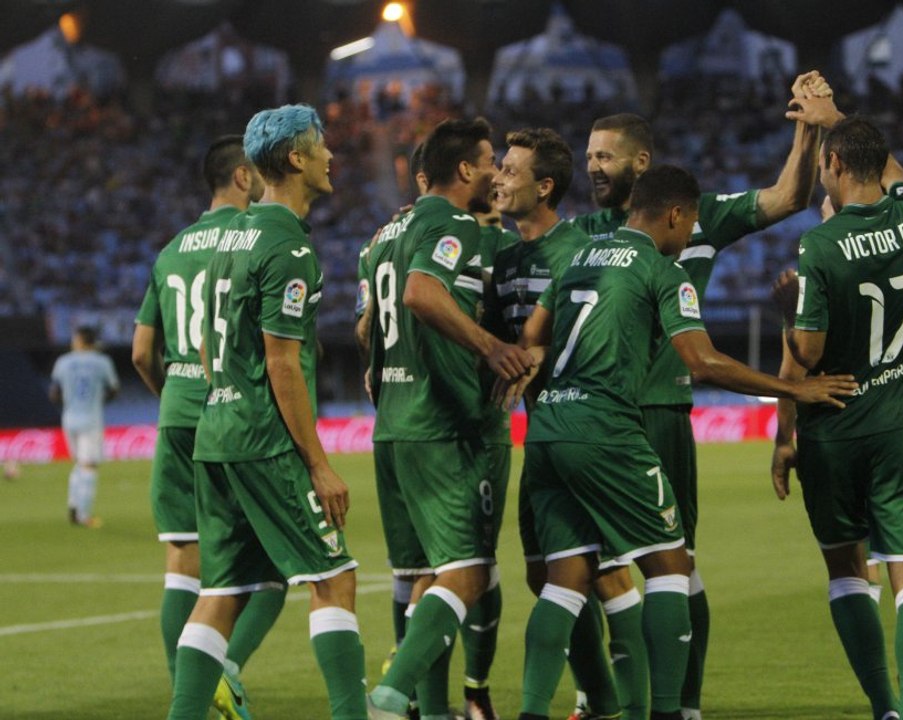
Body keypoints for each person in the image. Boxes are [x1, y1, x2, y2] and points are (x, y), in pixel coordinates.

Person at [508, 165, 856, 720]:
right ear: (675, 215)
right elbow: (704, 361)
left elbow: (532, 339)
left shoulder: (578, 258)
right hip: (607, 431)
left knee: (566, 579)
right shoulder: (663, 271)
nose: (689, 233)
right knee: (670, 566)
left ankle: (530, 712)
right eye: (690, 223)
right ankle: (669, 712)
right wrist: (794, 388)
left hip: (548, 427)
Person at [569, 70, 834, 720]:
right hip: (589, 419)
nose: (594, 168)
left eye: (604, 156)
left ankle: (680, 705)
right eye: (587, 158)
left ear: (641, 161)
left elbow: (787, 196)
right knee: (575, 568)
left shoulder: (698, 216)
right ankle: (601, 699)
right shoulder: (578, 233)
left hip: (659, 413)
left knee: (674, 563)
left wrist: (802, 129)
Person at [166, 104, 367, 720]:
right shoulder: (290, 249)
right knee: (334, 580)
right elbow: (282, 365)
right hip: (265, 439)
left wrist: (227, 393)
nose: (332, 155)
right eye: (321, 145)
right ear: (296, 160)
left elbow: (204, 343)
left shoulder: (229, 237)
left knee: (221, 593)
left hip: (215, 434)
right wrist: (319, 462)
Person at [771, 98, 903, 720]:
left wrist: (789, 311)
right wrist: (835, 113)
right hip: (902, 424)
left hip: (837, 430)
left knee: (847, 571)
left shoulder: (820, 244)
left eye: (823, 163)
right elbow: (897, 175)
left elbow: (809, 354)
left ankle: (884, 707)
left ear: (836, 163)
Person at [365, 118, 534, 720]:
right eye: (490, 160)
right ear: (465, 170)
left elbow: (368, 326)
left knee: (421, 577)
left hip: (392, 423)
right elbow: (419, 294)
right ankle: (389, 694)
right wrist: (492, 347)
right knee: (468, 572)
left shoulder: (386, 231)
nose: (496, 172)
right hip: (445, 422)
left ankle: (434, 713)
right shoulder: (453, 222)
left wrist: (381, 372)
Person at [132, 134, 285, 719]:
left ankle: (187, 695)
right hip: (236, 414)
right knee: (271, 562)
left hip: (177, 412)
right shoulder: (255, 240)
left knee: (182, 563)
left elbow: (143, 351)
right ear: (244, 176)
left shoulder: (170, 250)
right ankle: (225, 672)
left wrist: (173, 391)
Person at [486, 127, 621, 720]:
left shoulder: (579, 250)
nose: (496, 177)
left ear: (545, 187)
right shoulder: (507, 258)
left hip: (587, 433)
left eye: (510, 171)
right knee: (546, 577)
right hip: (542, 435)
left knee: (603, 578)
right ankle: (603, 700)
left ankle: (633, 702)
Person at [49, 325, 119, 528]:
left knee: (79, 463)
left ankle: (73, 505)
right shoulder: (102, 362)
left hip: (69, 418)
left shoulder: (63, 361)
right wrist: (99, 400)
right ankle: (83, 515)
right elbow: (114, 389)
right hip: (91, 419)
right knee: (89, 466)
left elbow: (54, 393)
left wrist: (70, 402)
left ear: (79, 340)